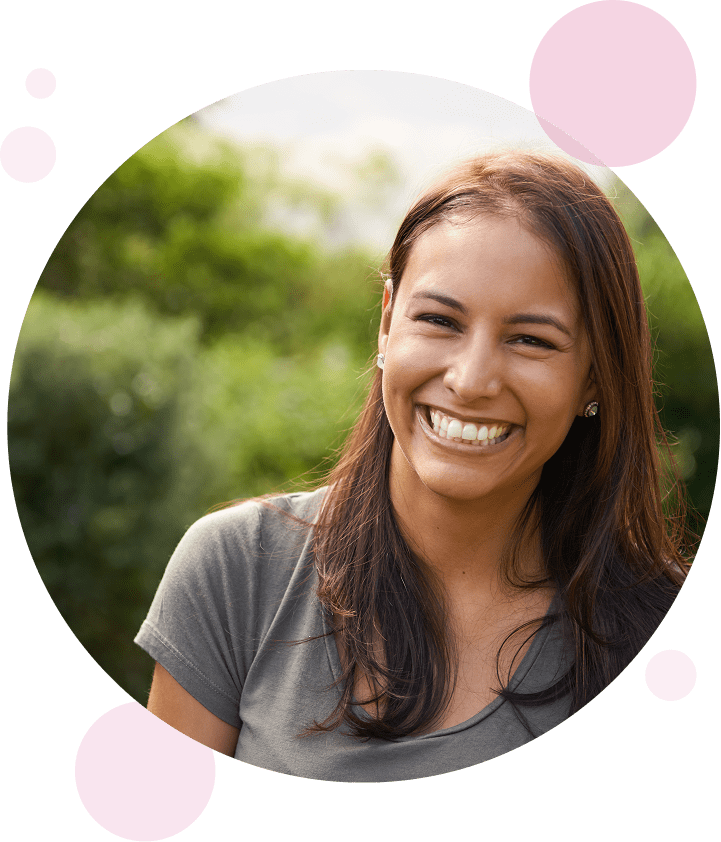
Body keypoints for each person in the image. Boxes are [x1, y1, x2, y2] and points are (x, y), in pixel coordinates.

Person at [135, 150, 691, 782]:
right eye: (438, 320)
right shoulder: (236, 573)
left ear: (594, 374)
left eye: (530, 340)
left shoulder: (667, 630)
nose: (472, 378)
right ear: (386, 323)